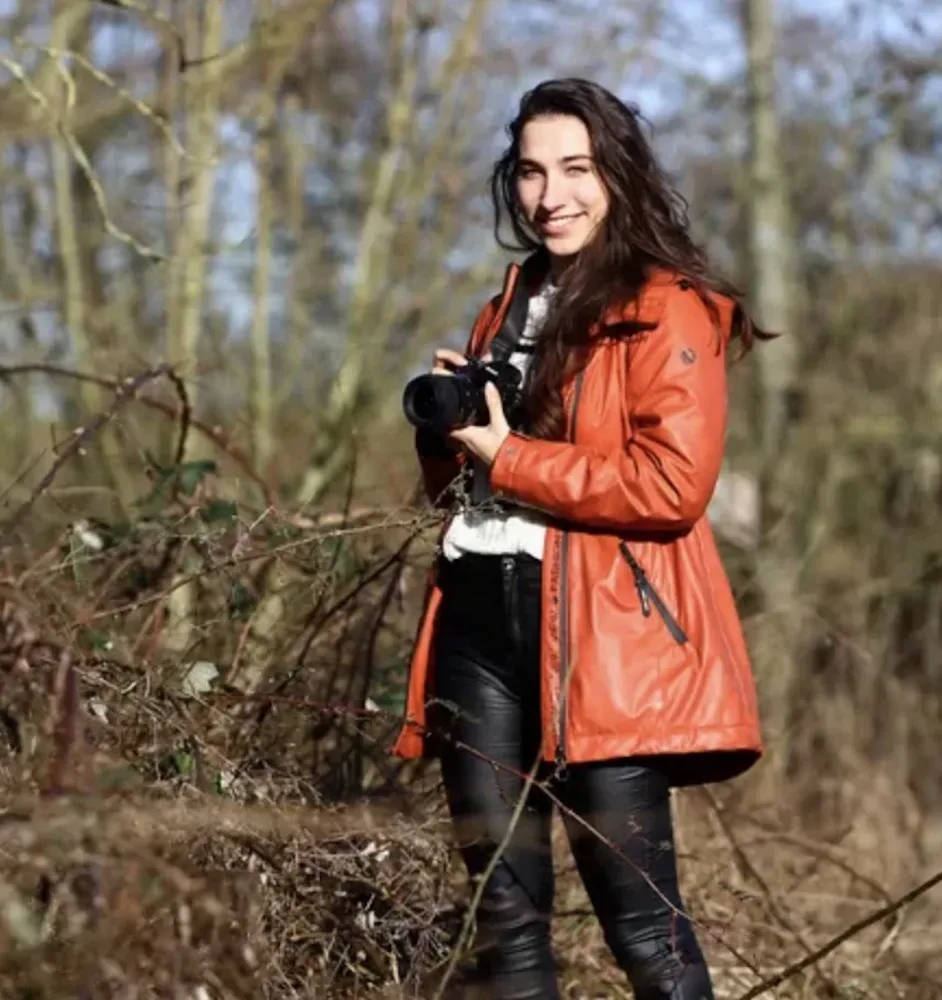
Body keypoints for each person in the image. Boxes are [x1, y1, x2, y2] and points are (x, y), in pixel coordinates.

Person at [390, 77, 776, 1000]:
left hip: (605, 634)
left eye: (575, 168)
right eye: (530, 172)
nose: (550, 194)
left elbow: (670, 486)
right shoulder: (510, 301)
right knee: (502, 917)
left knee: (642, 924)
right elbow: (464, 483)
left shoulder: (667, 305)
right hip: (477, 619)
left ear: (618, 174)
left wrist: (514, 455)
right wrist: (451, 437)